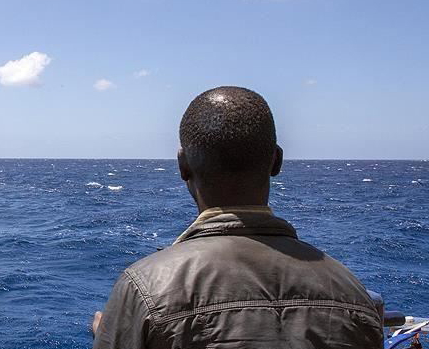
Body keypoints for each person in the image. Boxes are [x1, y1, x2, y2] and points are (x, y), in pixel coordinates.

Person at [91, 86, 383, 348]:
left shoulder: (144, 289)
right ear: (276, 161)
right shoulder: (353, 294)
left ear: (183, 166)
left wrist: (114, 333)